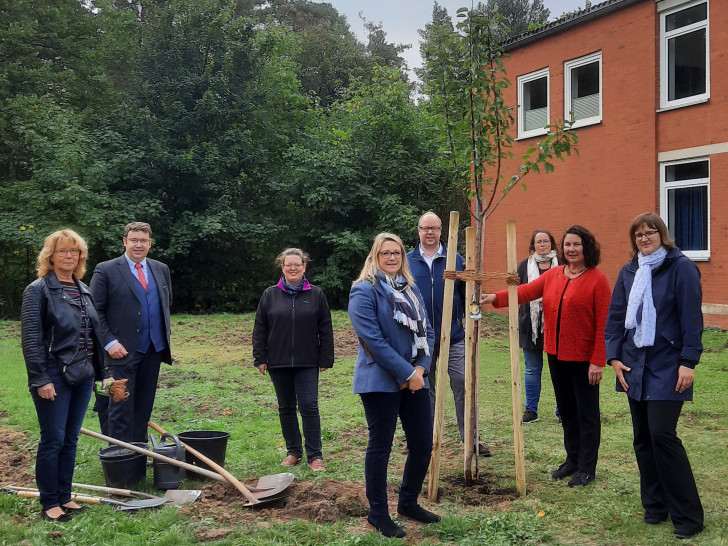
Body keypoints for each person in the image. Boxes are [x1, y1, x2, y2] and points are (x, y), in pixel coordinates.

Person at [481, 225, 611, 487]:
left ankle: (587, 468)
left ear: (586, 247)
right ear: (561, 249)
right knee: (566, 410)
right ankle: (572, 460)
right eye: (567, 245)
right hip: (556, 354)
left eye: (576, 244)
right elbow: (526, 292)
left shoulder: (597, 280)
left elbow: (604, 324)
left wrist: (598, 360)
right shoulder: (554, 275)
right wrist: (495, 297)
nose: (571, 249)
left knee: (586, 414)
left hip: (584, 359)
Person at [605, 213, 704, 540]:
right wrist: (614, 356)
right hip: (634, 365)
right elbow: (616, 315)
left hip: (668, 364)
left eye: (650, 233)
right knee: (643, 438)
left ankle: (688, 516)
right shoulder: (629, 269)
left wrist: (688, 361)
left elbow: (691, 318)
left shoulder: (681, 267)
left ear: (663, 234)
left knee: (663, 435)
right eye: (639, 235)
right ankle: (654, 505)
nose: (644, 239)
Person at [349, 232, 439, 539]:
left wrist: (421, 369)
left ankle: (408, 502)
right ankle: (377, 514)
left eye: (397, 253)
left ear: (403, 257)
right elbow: (372, 340)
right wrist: (406, 373)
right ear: (374, 257)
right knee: (381, 446)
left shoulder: (411, 290)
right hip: (379, 381)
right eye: (385, 253)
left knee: (423, 443)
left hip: (415, 379)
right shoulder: (363, 291)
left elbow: (428, 334)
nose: (391, 258)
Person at [21, 230, 113, 522]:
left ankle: (64, 495)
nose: (69, 256)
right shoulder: (37, 290)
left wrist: (103, 374)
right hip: (53, 375)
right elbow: (32, 340)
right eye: (62, 251)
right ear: (50, 256)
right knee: (53, 439)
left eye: (75, 252)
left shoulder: (82, 289)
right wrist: (40, 379)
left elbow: (92, 336)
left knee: (70, 439)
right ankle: (49, 503)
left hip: (82, 375)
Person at [406, 212, 490, 456]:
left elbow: (469, 296)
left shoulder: (455, 259)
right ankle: (427, 438)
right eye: (425, 228)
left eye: (434, 228)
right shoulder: (408, 261)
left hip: (454, 337)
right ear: (418, 230)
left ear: (442, 230)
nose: (430, 232)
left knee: (464, 382)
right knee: (425, 387)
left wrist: (474, 320)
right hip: (421, 339)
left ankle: (471, 439)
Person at [252, 248, 334, 472]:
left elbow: (325, 328)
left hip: (308, 361)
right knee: (286, 407)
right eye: (289, 265)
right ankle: (293, 452)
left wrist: (326, 357)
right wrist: (260, 357)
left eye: (297, 264)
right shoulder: (270, 295)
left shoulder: (316, 295)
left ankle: (315, 455)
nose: (293, 268)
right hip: (278, 362)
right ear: (283, 267)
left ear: (304, 267)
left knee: (309, 405)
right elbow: (260, 328)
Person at [90, 222, 172, 443]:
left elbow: (165, 305)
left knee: (143, 406)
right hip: (120, 351)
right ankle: (119, 458)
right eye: (134, 240)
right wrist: (109, 343)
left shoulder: (160, 269)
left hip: (153, 349)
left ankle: (138, 455)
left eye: (143, 241)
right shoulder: (106, 270)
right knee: (119, 406)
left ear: (150, 243)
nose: (138, 245)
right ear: (125, 242)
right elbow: (94, 311)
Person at [517, 229, 560, 425]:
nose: (542, 245)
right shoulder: (524, 266)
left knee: (559, 370)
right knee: (532, 369)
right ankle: (531, 411)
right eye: (538, 242)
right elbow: (518, 291)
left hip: (557, 324)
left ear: (552, 244)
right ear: (533, 246)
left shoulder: (563, 265)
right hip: (530, 325)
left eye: (546, 241)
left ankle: (563, 411)